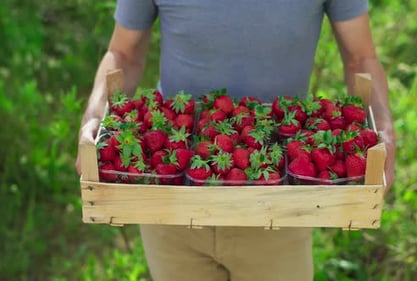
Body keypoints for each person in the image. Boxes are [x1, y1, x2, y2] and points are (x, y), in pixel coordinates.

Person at [76, 0, 396, 280]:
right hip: (170, 191)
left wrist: (383, 131)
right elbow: (123, 53)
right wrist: (93, 116)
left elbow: (360, 58)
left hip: (278, 198)